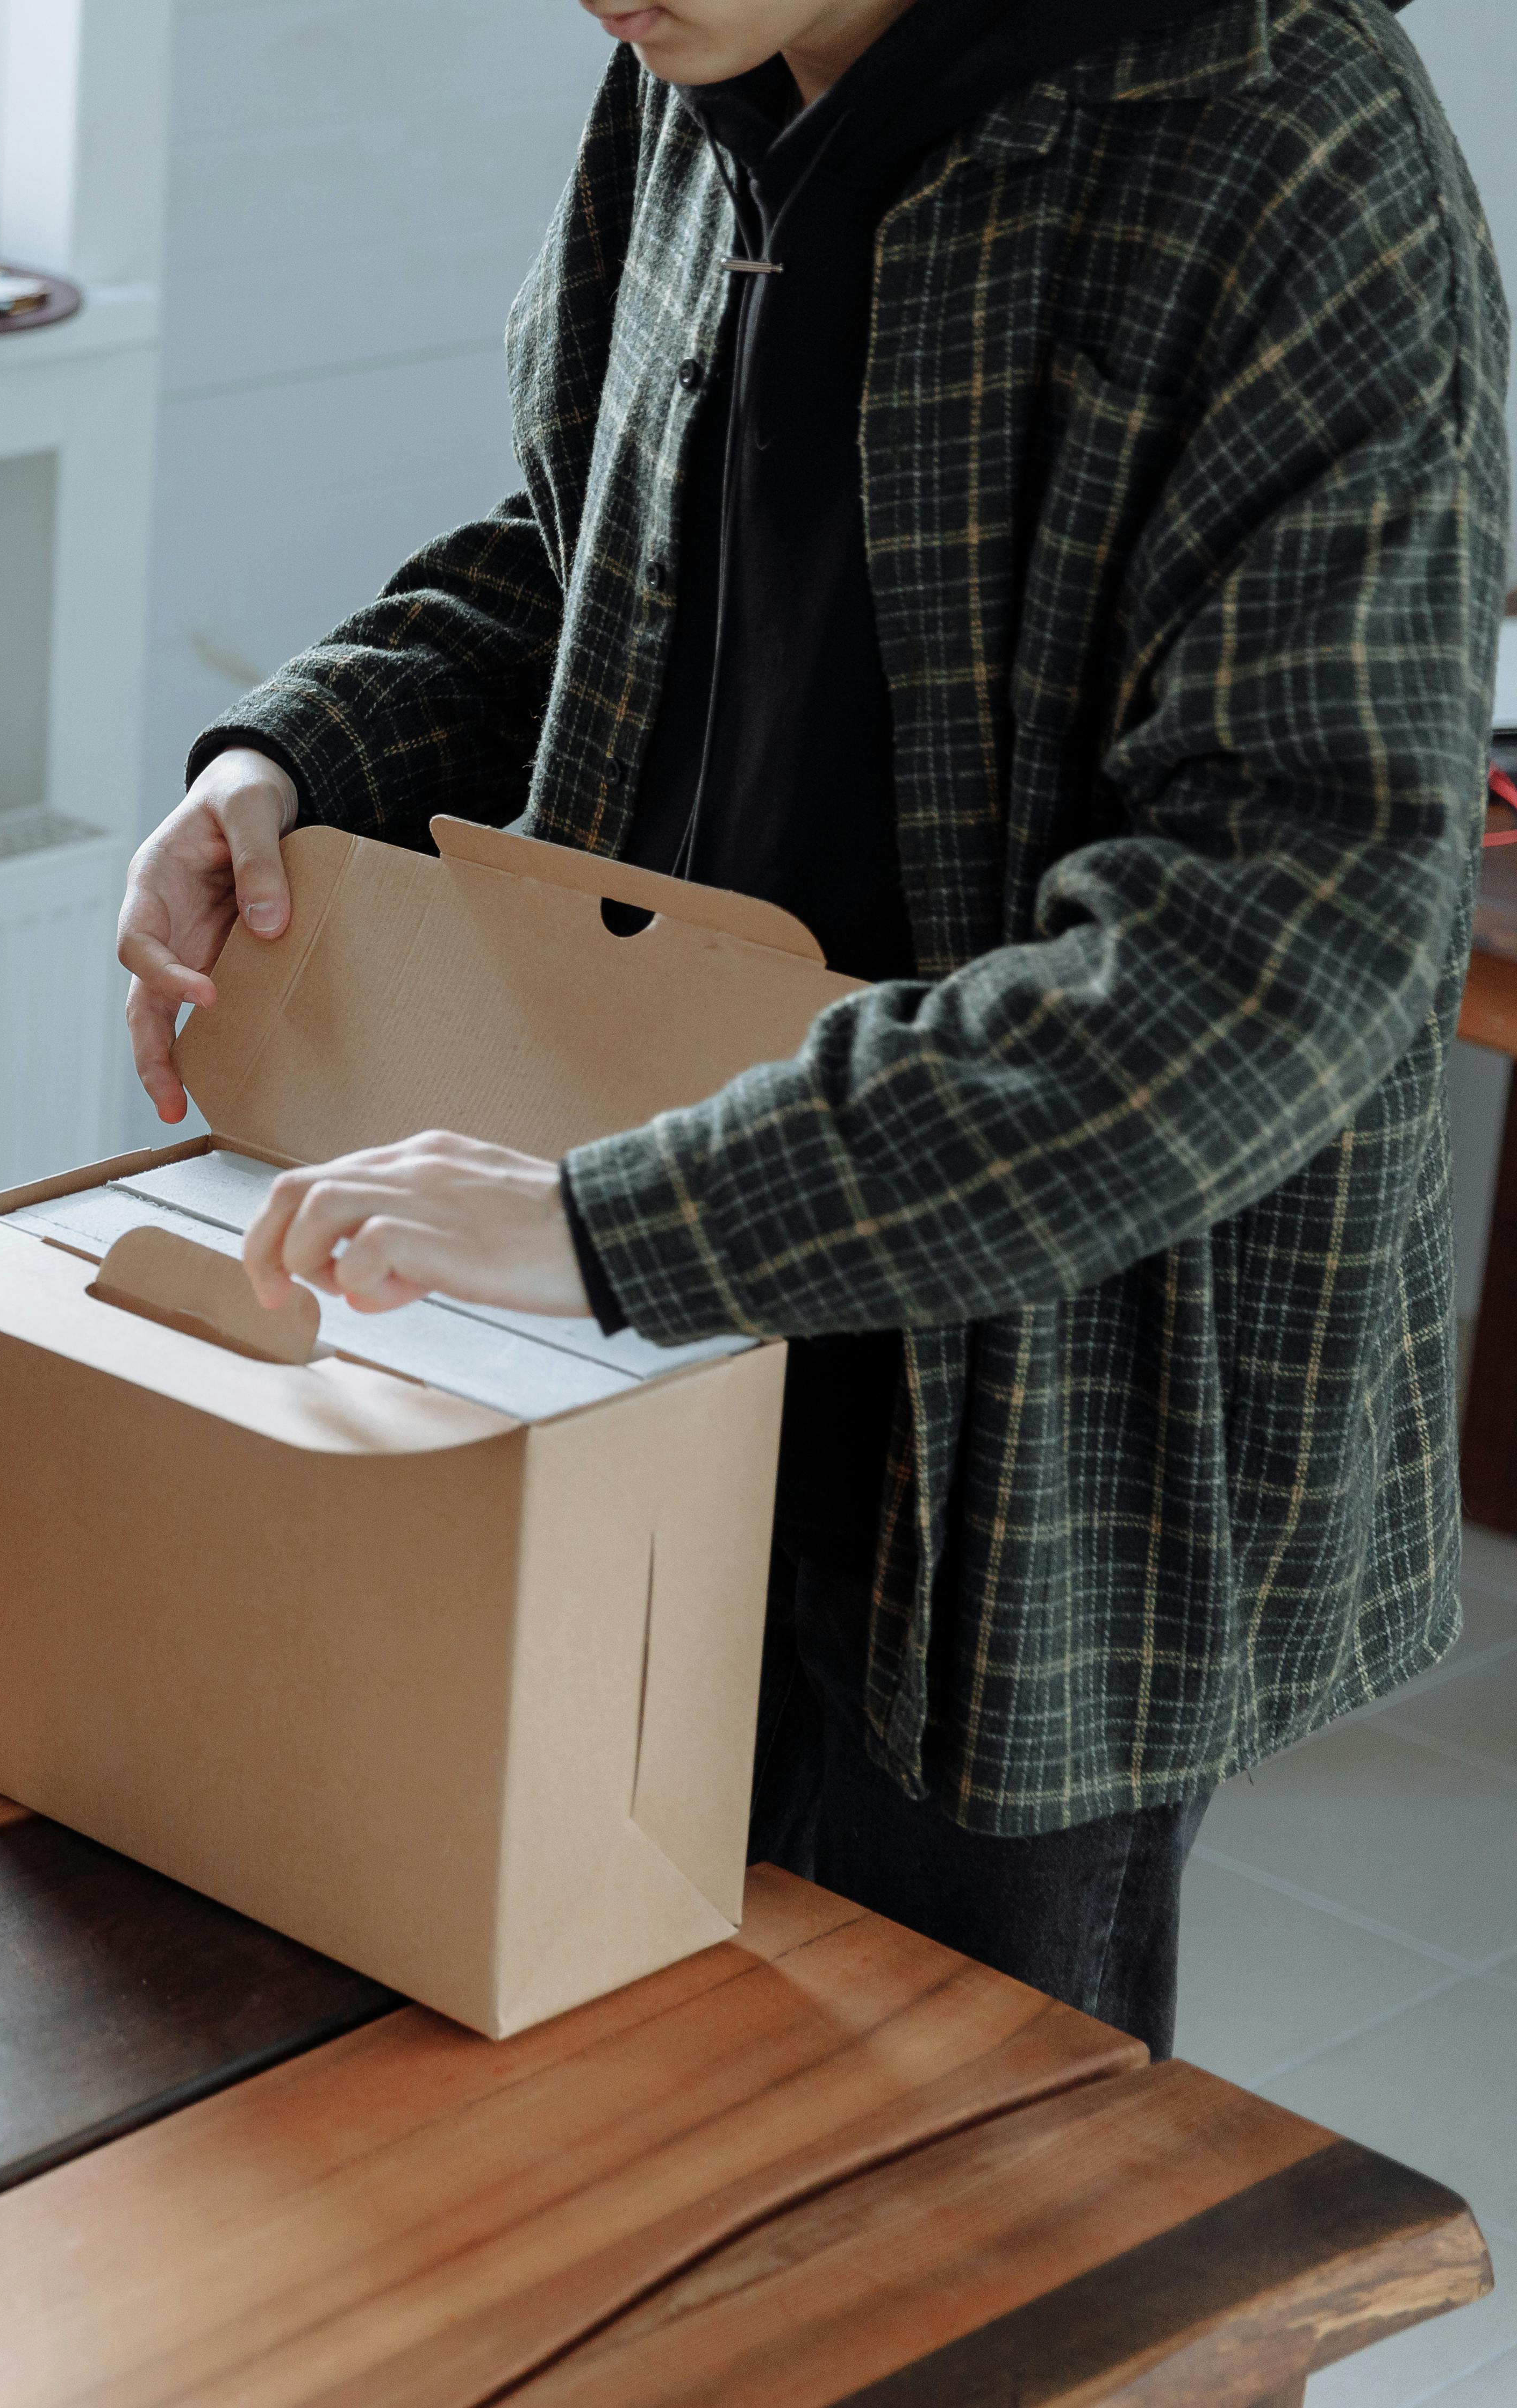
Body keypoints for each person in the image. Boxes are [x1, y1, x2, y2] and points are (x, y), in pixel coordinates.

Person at [118, 0, 1505, 2054]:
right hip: (615, 1321)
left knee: (953, 2246)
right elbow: (580, 551)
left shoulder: (1281, 134)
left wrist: (613, 1222)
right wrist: (297, 758)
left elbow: (1271, 943)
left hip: (1025, 1417)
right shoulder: (694, 66)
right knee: (563, 2132)